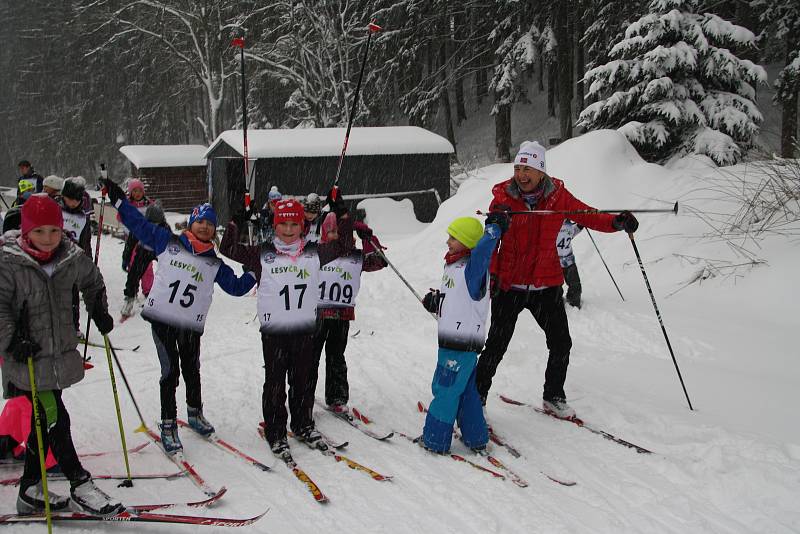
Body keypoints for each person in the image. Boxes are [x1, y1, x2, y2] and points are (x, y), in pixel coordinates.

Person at [476, 141, 639, 419]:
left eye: (527, 168)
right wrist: (492, 270)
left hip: (546, 285)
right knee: (496, 345)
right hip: (510, 285)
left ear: (541, 171)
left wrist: (616, 222)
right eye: (517, 167)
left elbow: (588, 215)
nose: (521, 174)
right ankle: (475, 396)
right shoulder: (504, 198)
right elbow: (491, 238)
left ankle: (553, 396)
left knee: (561, 342)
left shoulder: (558, 198)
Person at [102, 178, 256, 452]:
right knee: (170, 371)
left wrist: (254, 271)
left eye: (210, 223)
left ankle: (195, 413)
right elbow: (138, 225)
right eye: (200, 221)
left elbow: (235, 287)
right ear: (191, 223)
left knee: (191, 369)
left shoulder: (214, 262)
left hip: (190, 325)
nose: (205, 226)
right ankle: (168, 423)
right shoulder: (168, 241)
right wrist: (118, 200)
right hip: (162, 320)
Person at [0, 193, 123, 516]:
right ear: (26, 232)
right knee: (56, 417)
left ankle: (28, 490)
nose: (48, 239)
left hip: (58, 355)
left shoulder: (70, 256)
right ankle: (79, 482)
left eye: (53, 231)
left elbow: (93, 280)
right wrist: (12, 339)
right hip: (27, 355)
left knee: (41, 423)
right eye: (39, 232)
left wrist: (98, 308)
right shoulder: (8, 261)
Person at [220, 191, 351, 460]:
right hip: (275, 333)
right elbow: (228, 249)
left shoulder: (313, 253)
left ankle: (303, 425)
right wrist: (238, 219)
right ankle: (276, 431)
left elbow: (344, 247)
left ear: (303, 226)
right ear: (275, 225)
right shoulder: (263, 254)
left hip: (304, 330)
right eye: (283, 224)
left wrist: (342, 213)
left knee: (303, 381)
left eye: (294, 224)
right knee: (276, 383)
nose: (289, 230)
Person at [419, 215, 506, 454]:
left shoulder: (473, 267)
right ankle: (476, 436)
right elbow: (459, 300)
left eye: (453, 237)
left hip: (460, 343)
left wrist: (493, 229)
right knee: (466, 390)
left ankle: (435, 439)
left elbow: (482, 252)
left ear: (468, 242)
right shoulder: (454, 265)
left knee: (445, 389)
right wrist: (436, 302)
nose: (448, 241)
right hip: (453, 341)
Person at [311, 212, 387, 414]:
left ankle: (337, 397)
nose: (335, 235)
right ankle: (304, 397)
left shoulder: (355, 256)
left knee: (336, 357)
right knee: (310, 357)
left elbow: (379, 261)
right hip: (317, 315)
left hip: (342, 316)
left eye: (339, 231)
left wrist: (368, 237)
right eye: (331, 231)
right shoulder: (318, 252)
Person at [121, 203, 167, 319]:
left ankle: (164, 298)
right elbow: (130, 243)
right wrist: (126, 258)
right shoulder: (140, 226)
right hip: (144, 251)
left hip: (159, 252)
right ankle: (130, 299)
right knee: (133, 274)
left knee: (166, 275)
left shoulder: (165, 229)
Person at [120, 179, 152, 272]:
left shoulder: (149, 204)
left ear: (143, 192)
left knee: (147, 265)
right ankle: (133, 283)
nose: (137, 193)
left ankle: (148, 286)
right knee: (133, 260)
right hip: (132, 238)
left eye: (140, 190)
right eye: (134, 191)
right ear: (130, 192)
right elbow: (120, 217)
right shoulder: (127, 204)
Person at [557, 220, 583, 308]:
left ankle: (574, 303)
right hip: (554, 262)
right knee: (555, 286)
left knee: (575, 284)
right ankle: (556, 303)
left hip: (568, 261)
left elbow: (572, 233)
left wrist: (580, 225)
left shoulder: (569, 225)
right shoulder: (553, 223)